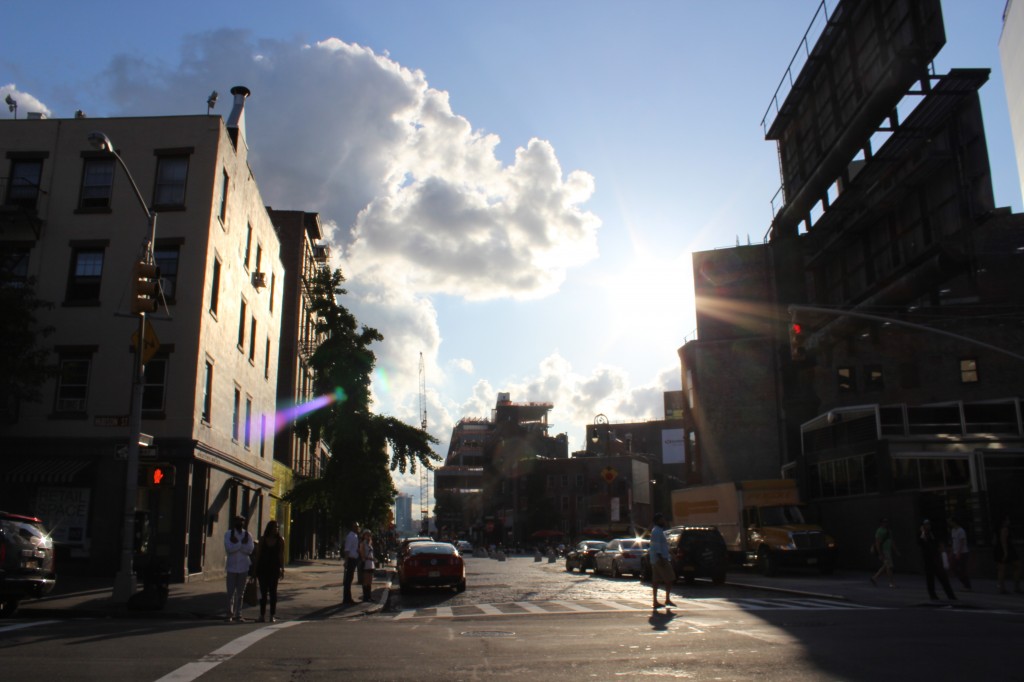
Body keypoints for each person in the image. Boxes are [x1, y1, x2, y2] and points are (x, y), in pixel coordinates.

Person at [224, 515, 255, 622]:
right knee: (230, 592)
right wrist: (241, 544)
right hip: (232, 567)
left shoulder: (248, 535)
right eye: (237, 521)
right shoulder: (228, 534)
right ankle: (229, 614)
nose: (240, 523)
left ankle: (238, 614)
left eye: (242, 521)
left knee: (240, 593)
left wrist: (236, 545)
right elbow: (229, 548)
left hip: (244, 567)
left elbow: (250, 550)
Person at [254, 520, 286, 622]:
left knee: (273, 592)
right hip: (263, 568)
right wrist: (255, 569)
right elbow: (258, 554)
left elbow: (281, 555)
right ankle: (262, 615)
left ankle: (272, 615)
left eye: (277, 527)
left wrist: (282, 568)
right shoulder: (263, 540)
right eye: (274, 527)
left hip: (274, 568)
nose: (276, 529)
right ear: (269, 528)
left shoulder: (280, 540)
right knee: (263, 593)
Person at [918, 519, 956, 600]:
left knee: (943, 578)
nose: (928, 526)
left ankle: (951, 596)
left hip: (936, 559)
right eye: (926, 525)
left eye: (928, 524)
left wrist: (942, 553)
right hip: (928, 560)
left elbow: (938, 543)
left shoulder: (933, 534)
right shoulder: (922, 534)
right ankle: (933, 595)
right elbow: (922, 542)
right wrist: (922, 532)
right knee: (930, 579)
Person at [649, 513, 676, 610]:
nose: (664, 521)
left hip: (656, 559)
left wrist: (672, 554)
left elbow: (664, 545)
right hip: (660, 559)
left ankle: (655, 601)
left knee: (656, 580)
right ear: (657, 521)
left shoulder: (659, 531)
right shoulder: (657, 531)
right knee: (670, 578)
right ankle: (667, 599)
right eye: (662, 519)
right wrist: (662, 558)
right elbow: (657, 547)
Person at [995, 515, 1022, 594]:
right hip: (1007, 549)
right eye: (1007, 520)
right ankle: (1016, 586)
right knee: (1017, 566)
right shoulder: (1004, 529)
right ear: (1004, 521)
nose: (1009, 521)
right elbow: (1003, 540)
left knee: (1001, 570)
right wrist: (1005, 552)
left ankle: (1001, 588)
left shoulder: (996, 529)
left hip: (999, 549)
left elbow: (995, 540)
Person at [870, 517, 897, 588]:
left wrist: (895, 550)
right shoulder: (879, 531)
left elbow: (892, 541)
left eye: (886, 522)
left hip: (887, 550)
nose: (886, 523)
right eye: (884, 522)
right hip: (884, 550)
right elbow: (877, 543)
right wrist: (880, 553)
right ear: (881, 523)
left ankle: (874, 578)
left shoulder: (888, 531)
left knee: (886, 565)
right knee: (889, 567)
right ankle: (891, 583)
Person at [947, 517, 971, 591]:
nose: (950, 523)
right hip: (955, 552)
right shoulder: (953, 530)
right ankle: (965, 583)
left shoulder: (961, 531)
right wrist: (952, 552)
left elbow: (962, 542)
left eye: (951, 522)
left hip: (963, 552)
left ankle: (967, 586)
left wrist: (959, 553)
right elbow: (953, 542)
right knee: (953, 568)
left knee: (963, 569)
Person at [342, 521, 360, 605]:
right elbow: (347, 549)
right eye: (356, 527)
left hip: (354, 559)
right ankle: (346, 598)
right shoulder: (350, 536)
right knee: (348, 580)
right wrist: (346, 561)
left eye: (358, 527)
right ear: (353, 527)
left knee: (350, 578)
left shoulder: (356, 536)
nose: (357, 528)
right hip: (350, 559)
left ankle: (348, 598)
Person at [359, 529, 375, 602]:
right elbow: (362, 555)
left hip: (371, 564)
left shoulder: (370, 544)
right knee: (365, 581)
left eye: (369, 535)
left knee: (370, 581)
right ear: (364, 535)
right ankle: (365, 597)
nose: (368, 536)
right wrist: (370, 558)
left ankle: (369, 596)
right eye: (367, 535)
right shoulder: (363, 544)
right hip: (366, 563)